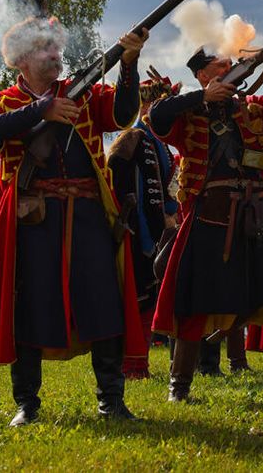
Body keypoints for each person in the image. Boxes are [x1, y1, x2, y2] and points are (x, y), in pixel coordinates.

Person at [0, 17, 149, 425]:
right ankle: (27, 406)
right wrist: (42, 110)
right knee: (29, 308)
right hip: (35, 221)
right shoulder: (3, 102)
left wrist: (129, 64)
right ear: (22, 60)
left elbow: (122, 114)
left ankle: (112, 401)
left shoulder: (81, 93)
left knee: (103, 304)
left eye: (55, 47)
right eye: (45, 49)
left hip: (88, 215)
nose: (56, 55)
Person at [151, 38, 263, 401]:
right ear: (201, 74)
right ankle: (179, 389)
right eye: (218, 67)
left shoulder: (255, 107)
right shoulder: (188, 110)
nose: (227, 71)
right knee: (194, 301)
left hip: (257, 210)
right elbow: (157, 118)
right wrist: (202, 98)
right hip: (209, 213)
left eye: (230, 66)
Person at [107, 72, 181, 379]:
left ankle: (140, 363)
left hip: (158, 225)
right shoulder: (132, 136)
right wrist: (129, 210)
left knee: (150, 297)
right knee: (136, 297)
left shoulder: (160, 143)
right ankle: (131, 364)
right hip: (137, 228)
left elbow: (165, 188)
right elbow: (115, 168)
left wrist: (170, 212)